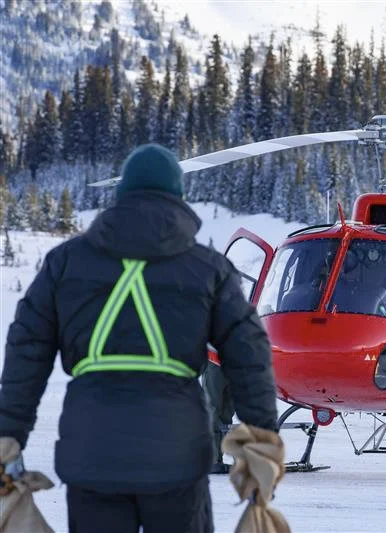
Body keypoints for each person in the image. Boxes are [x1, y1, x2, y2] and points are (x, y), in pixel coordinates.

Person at [0, 144, 278, 532]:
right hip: (178, 458)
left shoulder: (65, 263)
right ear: (178, 198)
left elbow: (25, 351)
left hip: (91, 455)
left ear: (120, 197)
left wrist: (8, 438)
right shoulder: (209, 268)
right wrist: (262, 439)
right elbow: (249, 354)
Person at [202, 357, 234, 474]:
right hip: (215, 361)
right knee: (212, 409)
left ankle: (218, 458)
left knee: (227, 412)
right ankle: (212, 459)